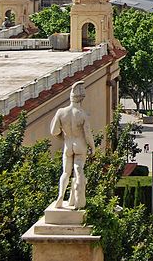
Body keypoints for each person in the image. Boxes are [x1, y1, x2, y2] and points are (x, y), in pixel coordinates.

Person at [50, 81, 95, 209]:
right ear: (81, 99)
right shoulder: (82, 114)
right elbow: (87, 134)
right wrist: (93, 147)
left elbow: (54, 131)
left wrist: (62, 136)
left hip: (68, 144)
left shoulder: (61, 112)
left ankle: (61, 197)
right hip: (80, 145)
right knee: (78, 171)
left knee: (65, 172)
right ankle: (78, 198)